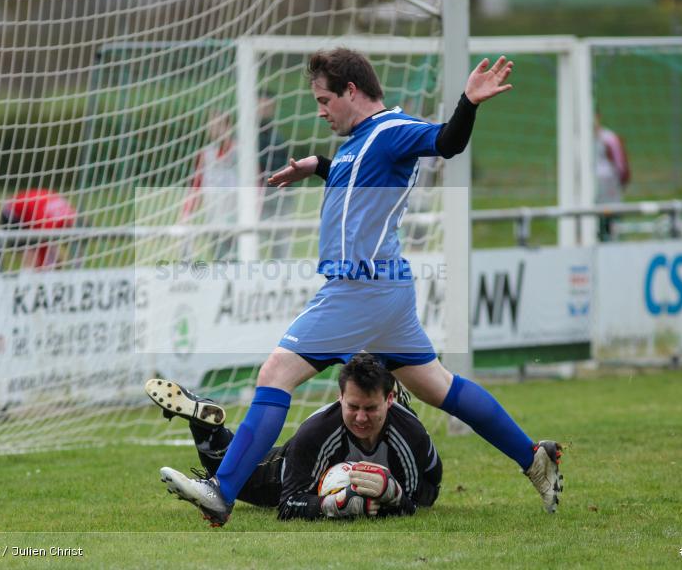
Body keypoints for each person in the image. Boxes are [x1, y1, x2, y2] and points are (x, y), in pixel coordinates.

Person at [160, 48, 563, 527]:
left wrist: (468, 103)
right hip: (385, 290)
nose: (321, 111)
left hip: (359, 288)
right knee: (440, 387)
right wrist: (318, 165)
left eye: (324, 99)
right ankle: (533, 456)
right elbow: (357, 174)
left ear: (351, 91)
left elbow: (447, 141)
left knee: (275, 374)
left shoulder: (392, 129)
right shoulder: (361, 141)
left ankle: (222, 491)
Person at [155, 353, 442, 521]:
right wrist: (333, 505)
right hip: (287, 469)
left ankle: (209, 427)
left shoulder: (409, 434)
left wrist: (393, 494)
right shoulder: (317, 431)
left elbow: (423, 499)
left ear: (389, 400)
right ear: (340, 397)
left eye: (370, 409)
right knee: (226, 468)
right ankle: (207, 427)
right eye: (353, 407)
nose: (360, 418)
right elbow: (288, 504)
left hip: (410, 457)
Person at [182, 110, 239, 260]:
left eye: (218, 126)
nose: (214, 131)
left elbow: (256, 184)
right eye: (211, 127)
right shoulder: (206, 154)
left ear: (228, 127)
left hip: (239, 219)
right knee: (221, 260)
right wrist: (187, 213)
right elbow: (196, 186)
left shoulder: (241, 152)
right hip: (214, 219)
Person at [0, 189, 79, 271]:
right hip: (13, 213)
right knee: (32, 255)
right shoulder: (48, 224)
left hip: (32, 208)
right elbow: (42, 245)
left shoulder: (70, 214)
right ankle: (29, 275)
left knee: (52, 259)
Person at [256, 91, 294, 259]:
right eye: (261, 105)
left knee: (280, 242)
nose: (265, 110)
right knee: (252, 241)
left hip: (278, 195)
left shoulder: (278, 138)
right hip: (255, 197)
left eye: (268, 106)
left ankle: (282, 273)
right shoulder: (245, 137)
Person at [594, 113, 631, 242]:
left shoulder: (609, 138)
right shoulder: (579, 140)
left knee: (611, 218)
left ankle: (612, 242)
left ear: (598, 117)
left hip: (608, 186)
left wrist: (622, 180)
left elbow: (621, 164)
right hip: (591, 188)